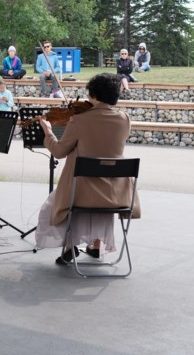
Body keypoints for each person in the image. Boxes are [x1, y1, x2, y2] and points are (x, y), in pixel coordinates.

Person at [34, 73, 140, 263]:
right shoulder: (124, 119)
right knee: (95, 187)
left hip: (81, 191)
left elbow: (59, 152)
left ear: (95, 95)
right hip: (115, 193)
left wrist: (48, 132)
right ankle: (96, 246)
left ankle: (69, 245)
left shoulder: (79, 120)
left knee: (54, 204)